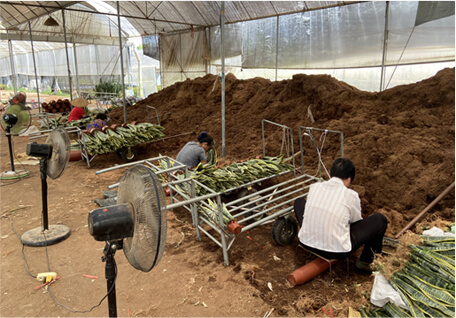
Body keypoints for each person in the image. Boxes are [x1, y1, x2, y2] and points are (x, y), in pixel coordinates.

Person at [296, 158, 388, 272]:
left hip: (305, 242)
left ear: (331, 174)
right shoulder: (351, 195)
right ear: (349, 179)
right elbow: (355, 222)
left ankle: (311, 232)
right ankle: (366, 261)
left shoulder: (314, 187)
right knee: (380, 220)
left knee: (299, 202)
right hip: (336, 251)